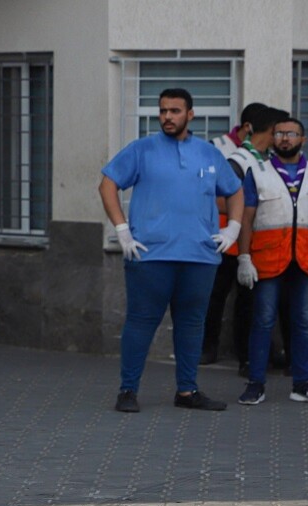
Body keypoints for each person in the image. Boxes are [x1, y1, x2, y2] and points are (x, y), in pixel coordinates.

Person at [99, 88, 243, 413]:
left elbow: (235, 191)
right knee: (140, 322)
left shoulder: (208, 154)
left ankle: (188, 392)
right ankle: (127, 391)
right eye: (163, 111)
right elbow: (107, 184)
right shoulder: (142, 149)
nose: (167, 117)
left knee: (192, 324)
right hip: (150, 255)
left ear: (190, 115)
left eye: (175, 111)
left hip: (200, 256)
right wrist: (121, 230)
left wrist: (232, 229)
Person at [236, 118, 308, 405]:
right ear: (273, 138)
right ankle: (256, 383)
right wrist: (244, 257)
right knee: (263, 320)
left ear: (302, 140)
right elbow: (247, 217)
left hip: (307, 259)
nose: (284, 138)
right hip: (268, 259)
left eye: (291, 134)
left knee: (305, 322)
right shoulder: (257, 173)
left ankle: (303, 383)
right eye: (279, 133)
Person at [201, 103, 274, 374]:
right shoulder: (217, 147)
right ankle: (207, 348)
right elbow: (207, 192)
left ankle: (246, 355)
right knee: (213, 297)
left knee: (247, 302)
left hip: (250, 240)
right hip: (218, 238)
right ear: (248, 128)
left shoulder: (264, 157)